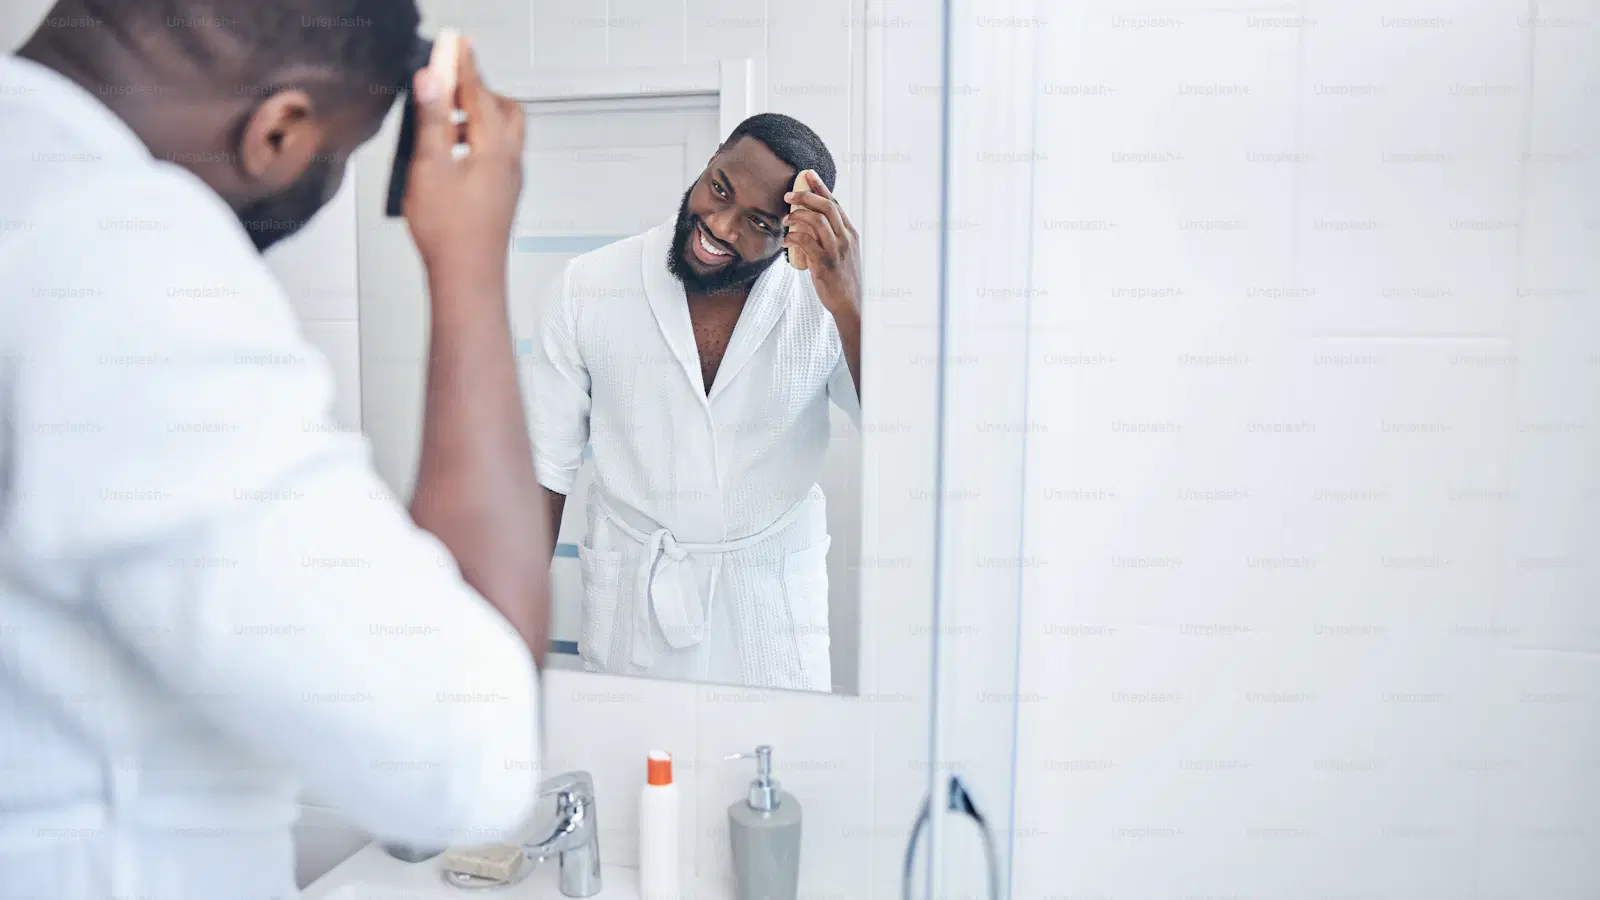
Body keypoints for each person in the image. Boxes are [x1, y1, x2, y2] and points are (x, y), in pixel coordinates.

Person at [0, 2, 551, 897]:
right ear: (280, 131)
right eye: (340, 156)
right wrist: (470, 265)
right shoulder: (121, 257)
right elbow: (466, 757)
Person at [529, 113, 862, 692]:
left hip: (770, 619)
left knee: (775, 749)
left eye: (758, 221)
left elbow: (896, 430)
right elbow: (544, 472)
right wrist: (506, 637)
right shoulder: (587, 288)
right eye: (720, 188)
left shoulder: (824, 305)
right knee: (633, 748)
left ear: (792, 231)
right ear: (712, 160)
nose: (720, 226)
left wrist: (849, 303)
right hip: (634, 613)